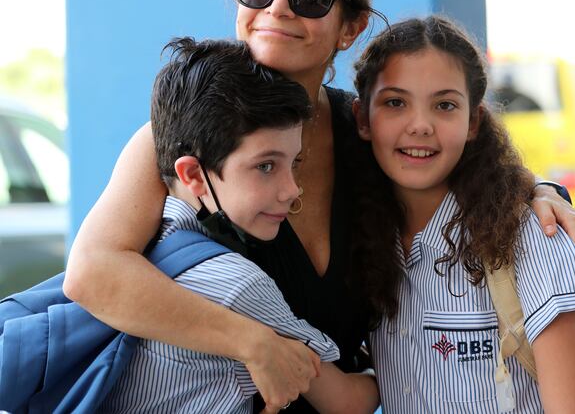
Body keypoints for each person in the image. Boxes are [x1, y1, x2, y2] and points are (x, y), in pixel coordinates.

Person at [63, 0, 575, 413]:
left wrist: (540, 193)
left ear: (352, 25)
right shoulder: (183, 132)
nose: (277, 7)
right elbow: (92, 273)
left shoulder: (368, 132)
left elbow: (469, 165)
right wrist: (254, 343)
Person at [101, 36, 378, 413]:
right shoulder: (241, 288)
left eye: (294, 163)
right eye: (266, 166)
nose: (292, 190)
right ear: (194, 175)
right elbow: (345, 403)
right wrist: (393, 367)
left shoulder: (144, 248)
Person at [351, 15, 575, 413]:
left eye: (444, 105)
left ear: (473, 122)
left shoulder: (533, 241)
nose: (420, 126)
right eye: (395, 103)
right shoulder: (365, 244)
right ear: (363, 118)